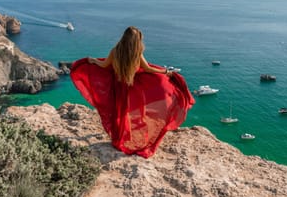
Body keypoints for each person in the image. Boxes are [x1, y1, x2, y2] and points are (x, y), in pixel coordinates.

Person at [69, 26, 195, 158]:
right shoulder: (137, 53)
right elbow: (148, 69)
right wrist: (165, 72)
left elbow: (104, 65)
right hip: (133, 87)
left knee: (119, 112)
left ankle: (119, 139)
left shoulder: (115, 51)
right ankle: (129, 137)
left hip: (118, 87)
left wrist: (93, 60)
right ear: (136, 41)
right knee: (131, 112)